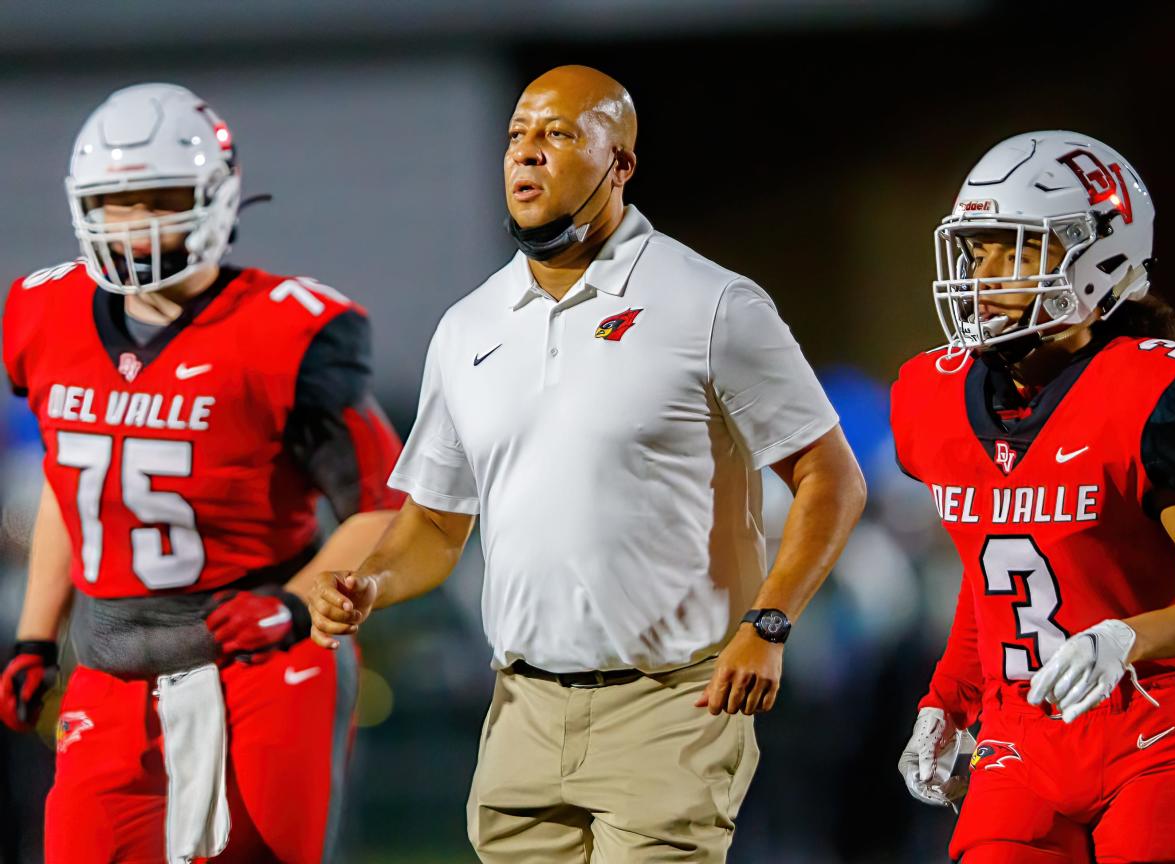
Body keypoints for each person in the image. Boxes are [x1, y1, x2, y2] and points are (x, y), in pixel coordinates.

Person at [308, 64, 867, 862]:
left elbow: (831, 477)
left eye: (559, 134)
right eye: (516, 136)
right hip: (520, 712)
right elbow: (435, 522)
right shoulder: (468, 327)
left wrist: (769, 624)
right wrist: (372, 582)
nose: (527, 154)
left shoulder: (709, 302)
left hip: (671, 704)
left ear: (621, 162)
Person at [0, 83, 404, 863]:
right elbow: (68, 485)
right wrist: (32, 638)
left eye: (161, 197)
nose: (137, 221)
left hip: (261, 662)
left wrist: (291, 606)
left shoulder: (287, 331)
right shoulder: (41, 314)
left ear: (216, 196)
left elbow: (383, 507)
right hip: (112, 667)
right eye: (117, 201)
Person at [892, 130, 1175, 864]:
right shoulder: (935, 396)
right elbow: (995, 571)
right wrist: (945, 702)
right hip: (1016, 736)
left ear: (1101, 257)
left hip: (1144, 729)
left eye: (1015, 250)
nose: (984, 276)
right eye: (977, 249)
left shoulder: (1147, 393)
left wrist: (1128, 637)